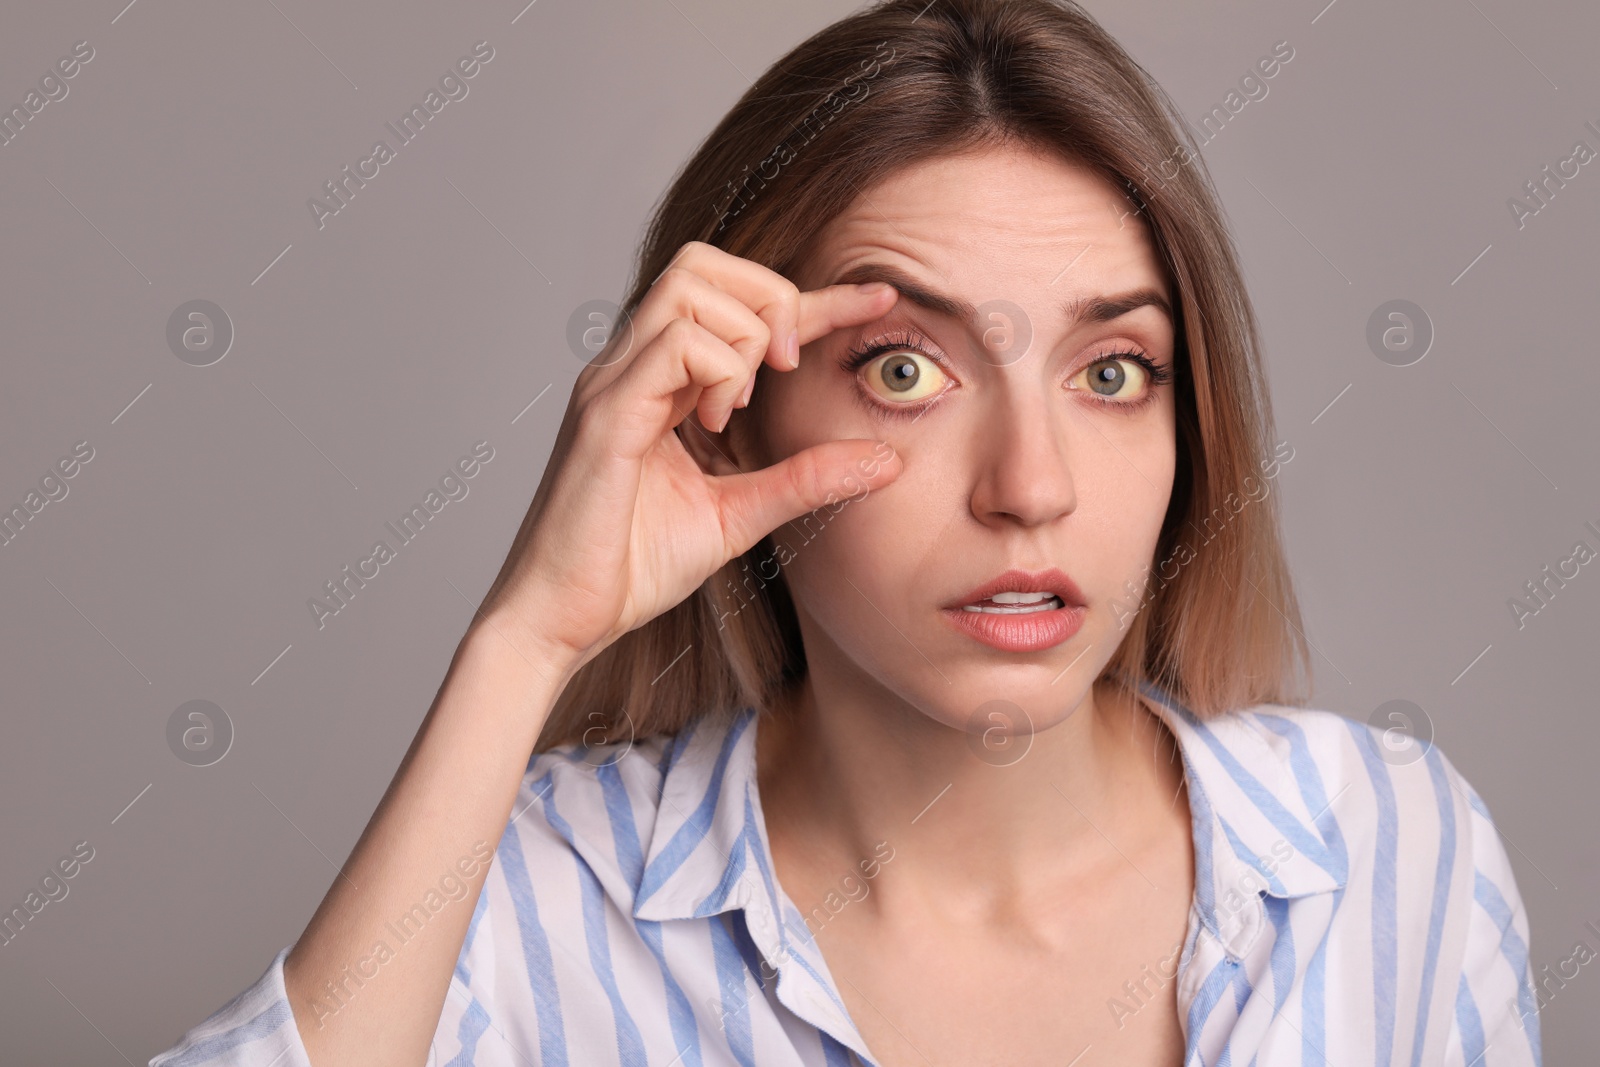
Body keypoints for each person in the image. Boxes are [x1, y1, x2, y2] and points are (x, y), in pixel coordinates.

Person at [150, 1, 1542, 1064]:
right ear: (732, 412)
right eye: (904, 368)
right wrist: (527, 640)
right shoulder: (534, 899)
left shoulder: (1390, 852)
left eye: (1113, 371)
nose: (1030, 486)